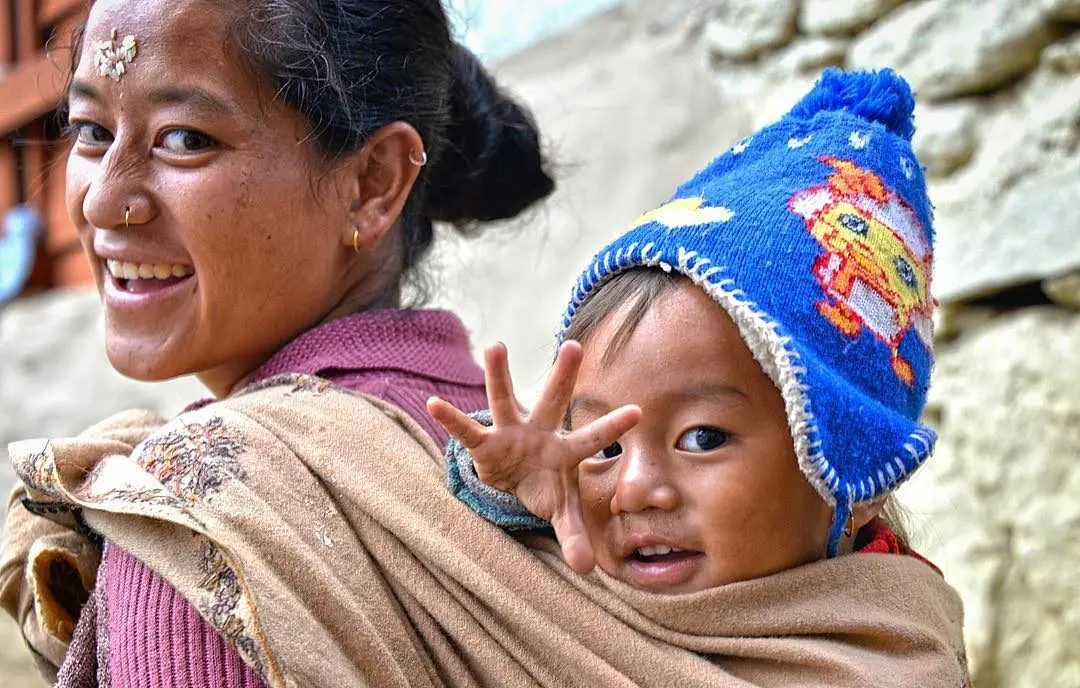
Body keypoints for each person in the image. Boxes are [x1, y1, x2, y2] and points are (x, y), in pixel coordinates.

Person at [1, 0, 553, 684]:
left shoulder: (198, 524)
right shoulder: (498, 438)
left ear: (372, 182)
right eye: (90, 130)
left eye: (184, 138)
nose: (100, 201)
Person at [432, 68, 971, 683]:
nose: (634, 490)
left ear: (854, 471)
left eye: (703, 438)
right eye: (604, 445)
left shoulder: (890, 651)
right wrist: (507, 484)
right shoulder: (573, 587)